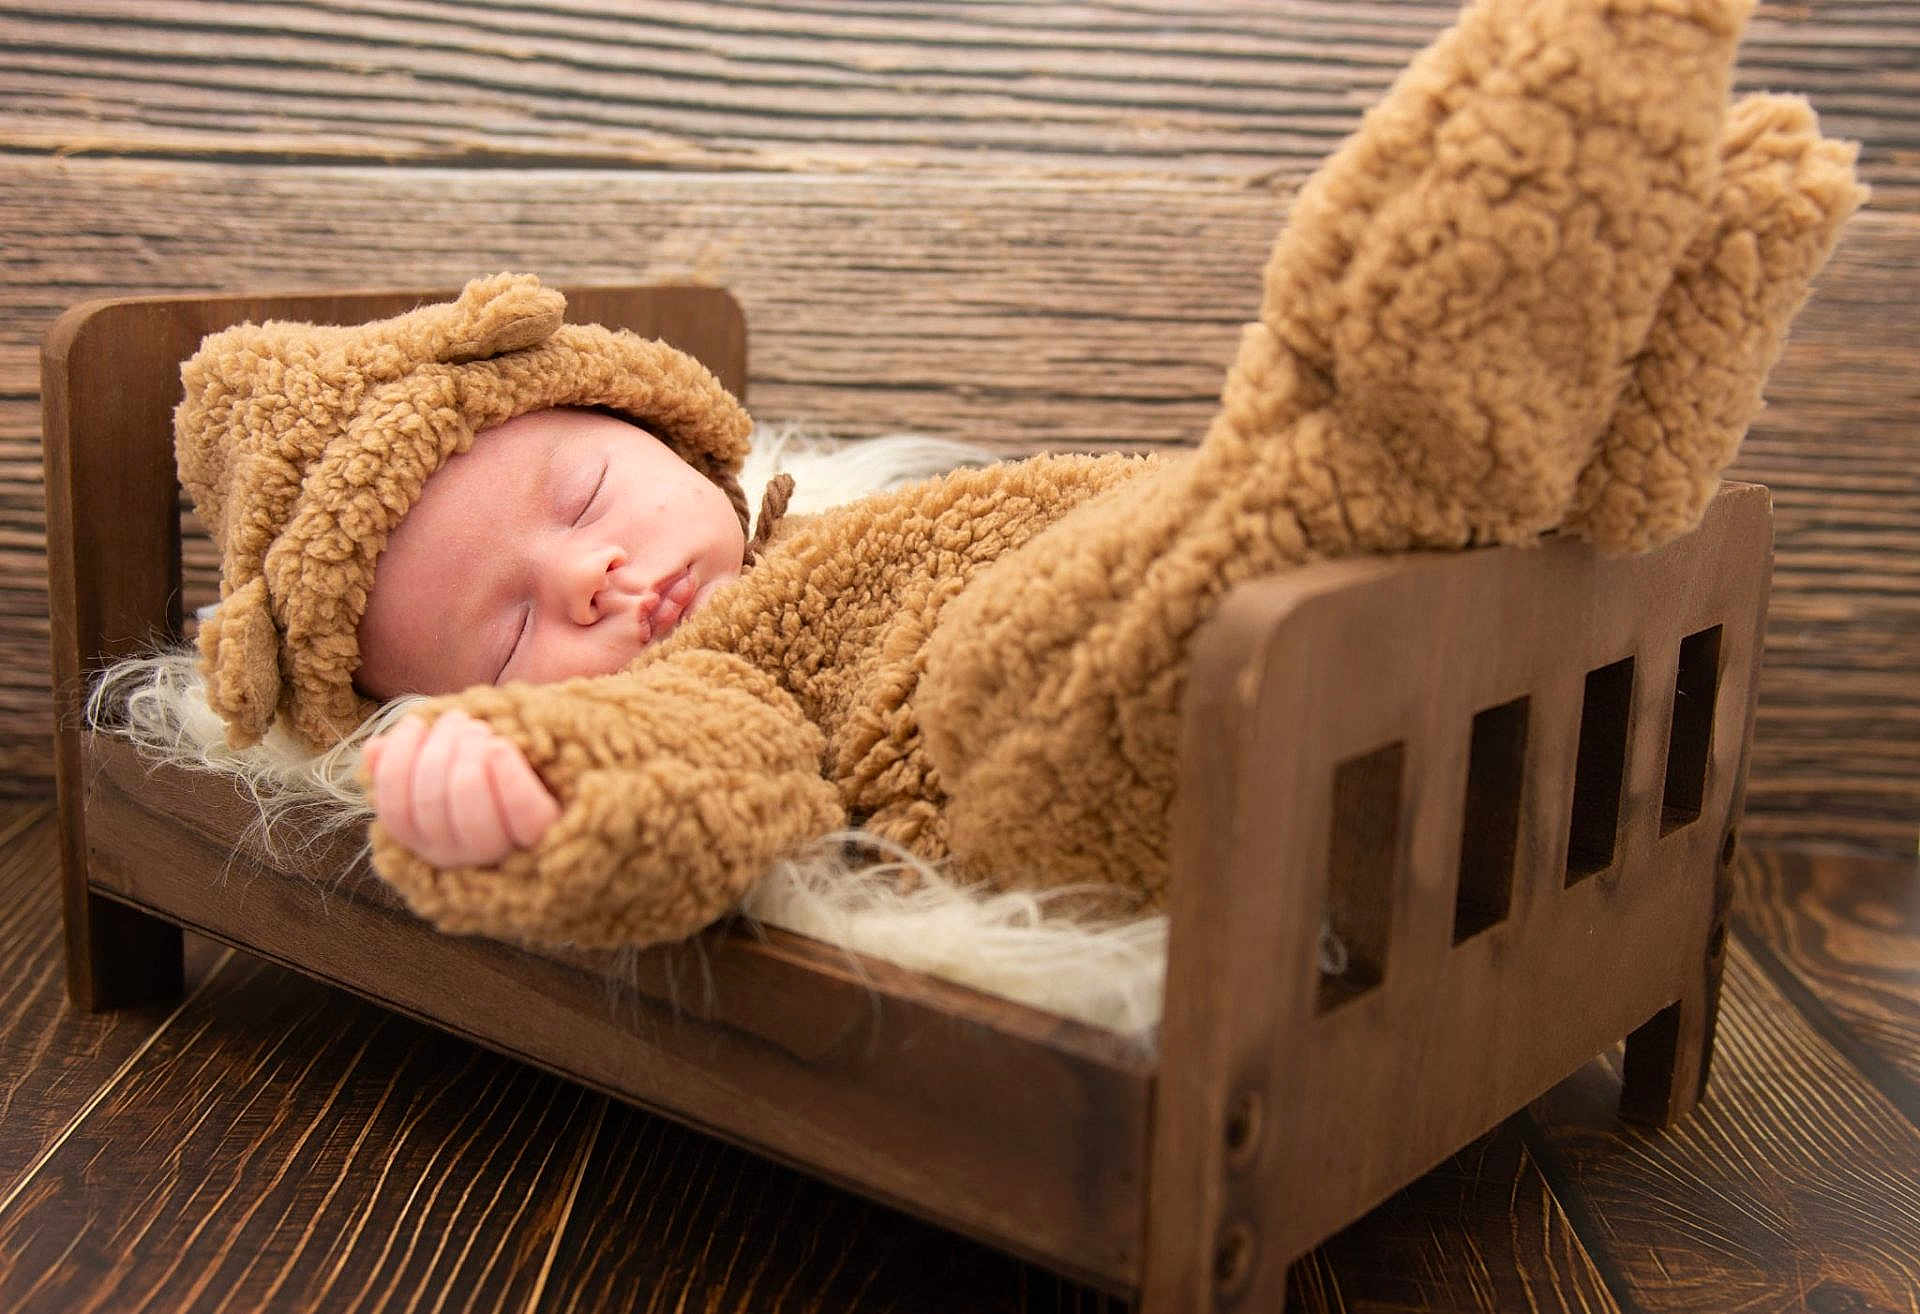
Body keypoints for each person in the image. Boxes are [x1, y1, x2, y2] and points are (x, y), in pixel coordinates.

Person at [174, 0, 1862, 951]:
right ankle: (1437, 342)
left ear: (676, 428)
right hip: (1064, 732)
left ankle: (1590, 452)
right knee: (1223, 543)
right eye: (511, 640)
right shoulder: (724, 676)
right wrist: (534, 782)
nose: (594, 582)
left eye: (589, 503)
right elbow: (690, 777)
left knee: (1216, 515)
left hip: (1251, 622)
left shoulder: (839, 512)